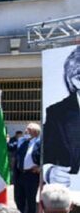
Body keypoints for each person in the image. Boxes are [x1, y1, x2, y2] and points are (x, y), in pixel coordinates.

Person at [43, 47, 80, 192]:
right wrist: (49, 171)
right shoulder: (57, 114)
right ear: (75, 80)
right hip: (72, 197)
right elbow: (44, 154)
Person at [15, 122, 42, 213]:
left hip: (32, 176)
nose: (26, 131)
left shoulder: (41, 143)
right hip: (20, 174)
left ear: (35, 132)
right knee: (19, 199)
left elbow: (47, 158)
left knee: (30, 200)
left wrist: (40, 168)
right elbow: (13, 148)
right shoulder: (23, 142)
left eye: (28, 129)